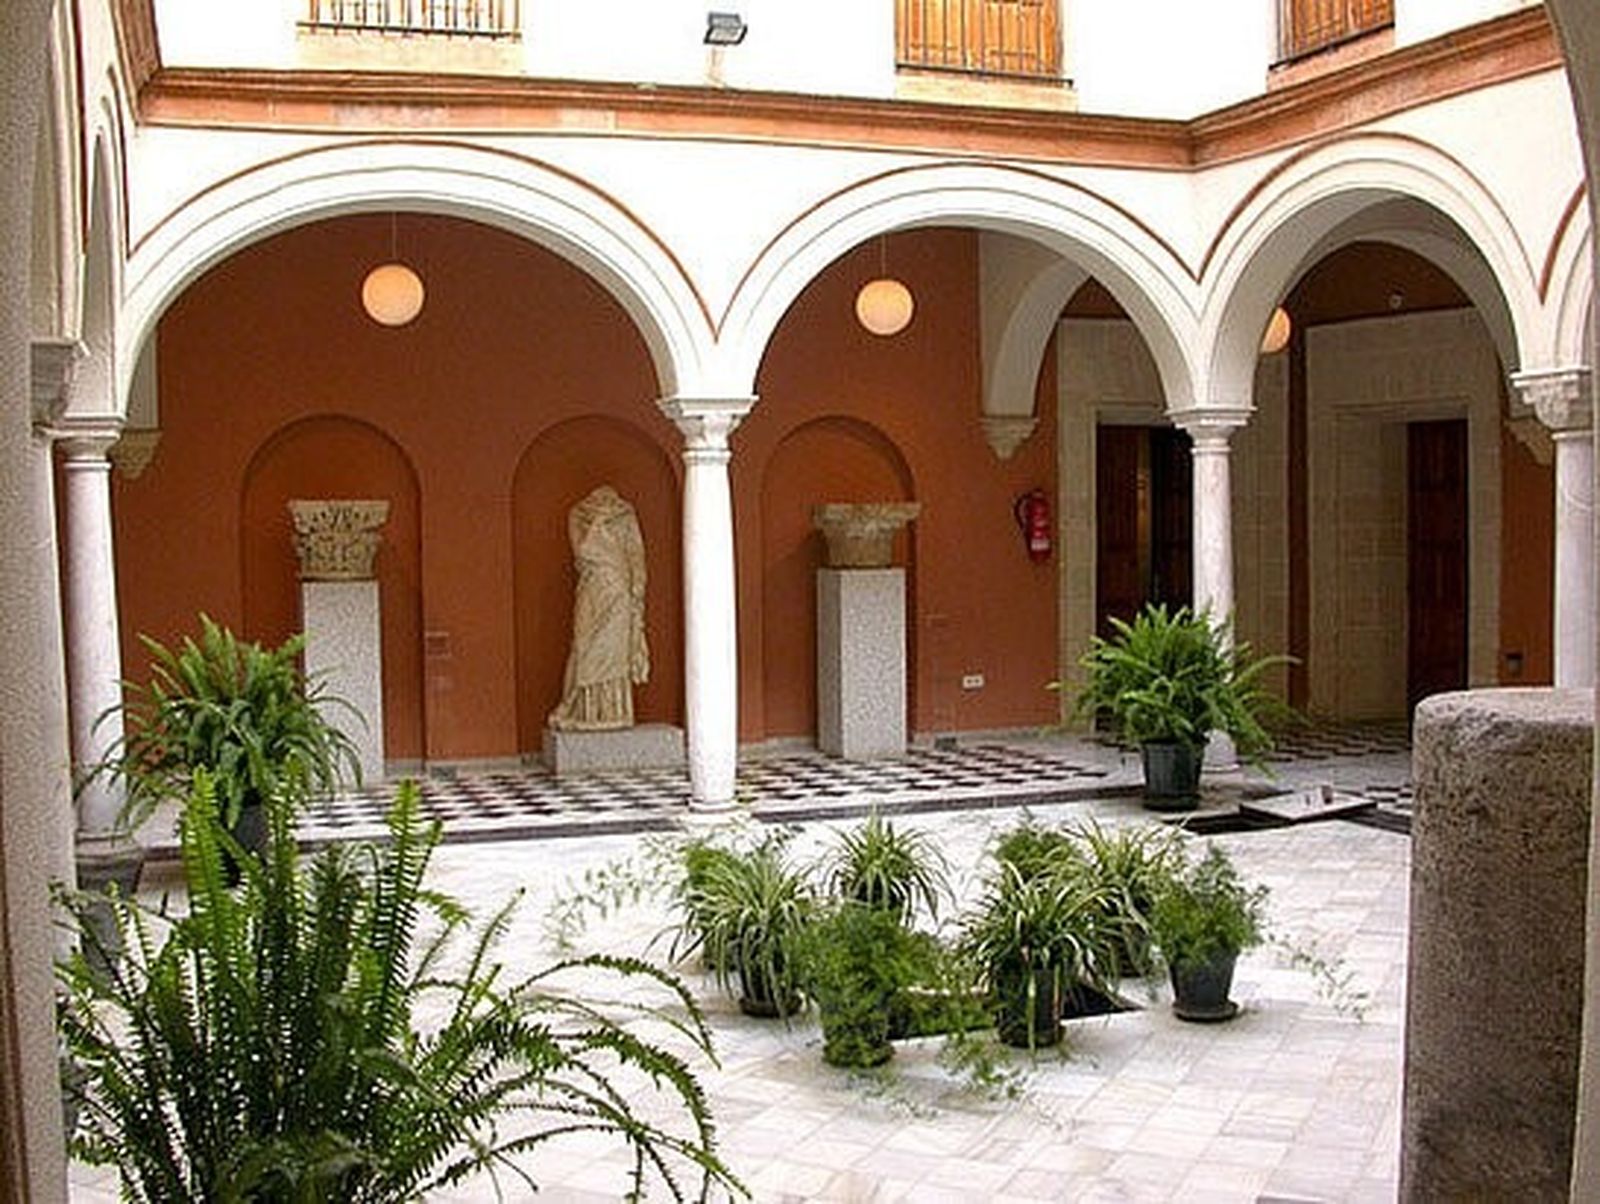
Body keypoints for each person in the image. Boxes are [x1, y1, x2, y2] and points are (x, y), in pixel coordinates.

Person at [548, 485, 650, 730]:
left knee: (613, 651)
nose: (605, 502)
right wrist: (598, 524)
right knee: (583, 646)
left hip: (619, 592)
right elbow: (582, 552)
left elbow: (637, 556)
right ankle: (580, 709)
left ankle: (612, 713)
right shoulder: (578, 514)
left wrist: (637, 594)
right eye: (600, 499)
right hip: (592, 588)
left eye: (609, 499)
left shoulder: (625, 515)